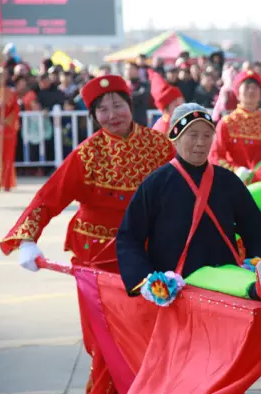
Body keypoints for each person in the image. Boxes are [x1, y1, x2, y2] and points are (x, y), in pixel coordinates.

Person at [1, 74, 175, 393]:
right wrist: (27, 238)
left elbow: (185, 195)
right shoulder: (87, 154)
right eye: (103, 110)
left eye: (118, 105)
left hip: (146, 257)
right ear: (93, 117)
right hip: (96, 259)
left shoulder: (160, 146)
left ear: (130, 106)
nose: (112, 115)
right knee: (104, 340)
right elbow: (49, 197)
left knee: (144, 336)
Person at [116, 103, 261, 305]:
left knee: (231, 280)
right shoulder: (156, 183)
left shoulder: (227, 180)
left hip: (226, 271)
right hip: (177, 282)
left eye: (207, 135)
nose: (201, 143)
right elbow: (129, 236)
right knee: (231, 283)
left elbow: (254, 224)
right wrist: (145, 280)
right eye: (193, 135)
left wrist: (255, 259)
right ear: (175, 137)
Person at [208, 69, 261, 181]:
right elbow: (216, 156)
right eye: (247, 87)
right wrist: (235, 171)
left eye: (255, 87)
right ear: (238, 93)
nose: (251, 90)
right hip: (237, 182)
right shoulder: (227, 122)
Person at [149, 69, 185, 133]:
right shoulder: (164, 126)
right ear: (167, 108)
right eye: (176, 105)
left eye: (182, 104)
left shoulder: (181, 122)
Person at [1, 82, 20, 191]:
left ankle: (6, 183)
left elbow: (15, 109)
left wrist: (6, 121)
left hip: (7, 130)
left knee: (7, 157)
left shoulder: (10, 93)